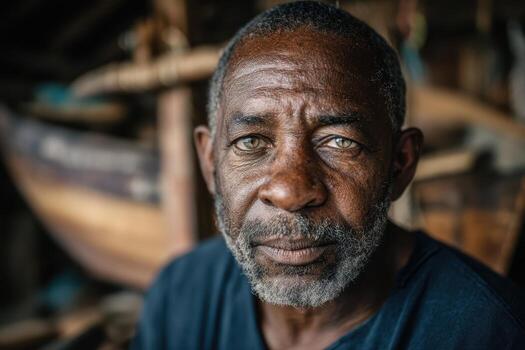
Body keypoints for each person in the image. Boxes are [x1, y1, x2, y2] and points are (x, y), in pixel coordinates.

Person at [131, 2, 525, 349]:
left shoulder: (488, 332)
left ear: (400, 164)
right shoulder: (180, 296)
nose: (290, 191)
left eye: (339, 142)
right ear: (210, 162)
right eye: (251, 142)